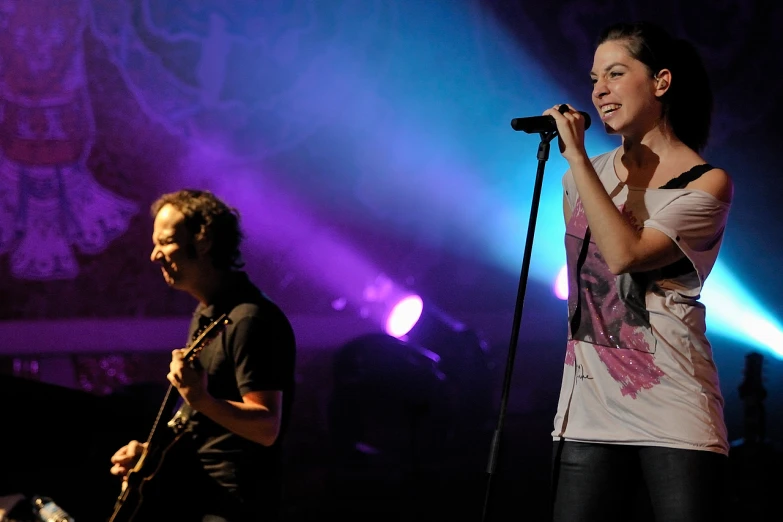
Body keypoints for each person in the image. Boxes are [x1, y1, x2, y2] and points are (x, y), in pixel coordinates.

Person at [545, 21, 733, 522]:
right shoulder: (579, 176)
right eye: (593, 79)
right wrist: (583, 164)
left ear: (661, 82)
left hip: (672, 405)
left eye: (615, 73)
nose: (598, 90)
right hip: (587, 409)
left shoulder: (705, 184)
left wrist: (579, 156)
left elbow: (625, 254)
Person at [109, 189, 296, 522]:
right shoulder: (208, 313)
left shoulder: (250, 319)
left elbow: (267, 425)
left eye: (166, 242)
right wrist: (150, 454)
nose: (155, 255)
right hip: (199, 498)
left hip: (234, 508)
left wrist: (200, 398)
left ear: (204, 241)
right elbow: (195, 420)